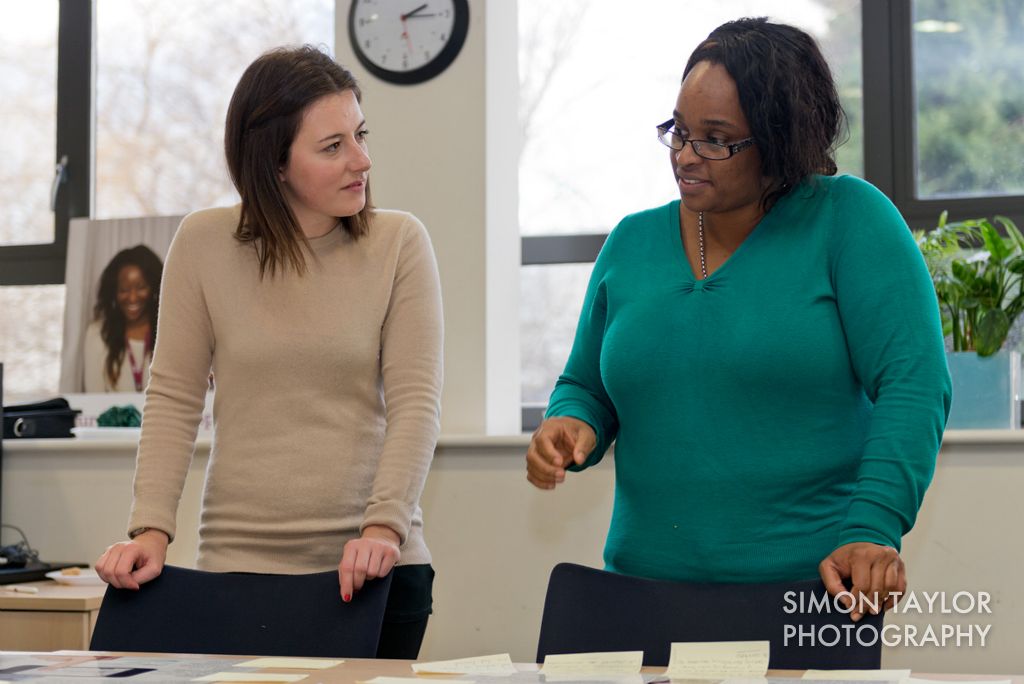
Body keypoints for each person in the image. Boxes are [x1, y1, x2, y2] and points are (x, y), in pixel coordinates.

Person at [526, 17, 951, 622]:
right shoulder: (631, 242)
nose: (685, 155)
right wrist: (570, 423)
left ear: (781, 140)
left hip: (811, 591)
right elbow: (586, 385)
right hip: (639, 592)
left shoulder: (849, 220)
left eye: (716, 140)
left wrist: (873, 527)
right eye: (679, 131)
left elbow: (914, 382)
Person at [95, 46, 444, 658]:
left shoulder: (399, 243)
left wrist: (383, 527)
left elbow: (417, 402)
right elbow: (174, 397)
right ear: (274, 163)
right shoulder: (203, 242)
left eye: (360, 136)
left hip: (373, 570)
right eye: (332, 146)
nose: (361, 159)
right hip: (238, 568)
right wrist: (151, 529)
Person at [83, 245, 164, 392]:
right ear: (113, 292)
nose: (132, 298)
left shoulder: (169, 332)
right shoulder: (97, 334)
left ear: (154, 288)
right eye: (124, 290)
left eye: (141, 288)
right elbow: (94, 397)